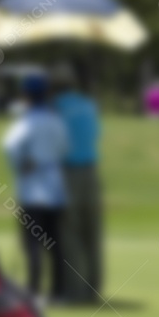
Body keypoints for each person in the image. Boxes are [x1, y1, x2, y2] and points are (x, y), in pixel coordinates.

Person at [2, 72, 69, 303]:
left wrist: (21, 164)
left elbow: (10, 146)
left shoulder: (27, 120)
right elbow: (63, 147)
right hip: (55, 187)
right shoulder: (55, 119)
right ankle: (59, 291)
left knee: (32, 243)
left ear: (26, 95)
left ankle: (33, 290)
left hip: (32, 189)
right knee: (55, 242)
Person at [53, 63, 104, 303]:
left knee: (69, 231)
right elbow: (95, 134)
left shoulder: (54, 108)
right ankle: (94, 288)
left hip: (68, 172)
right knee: (91, 230)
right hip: (91, 171)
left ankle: (75, 291)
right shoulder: (89, 105)